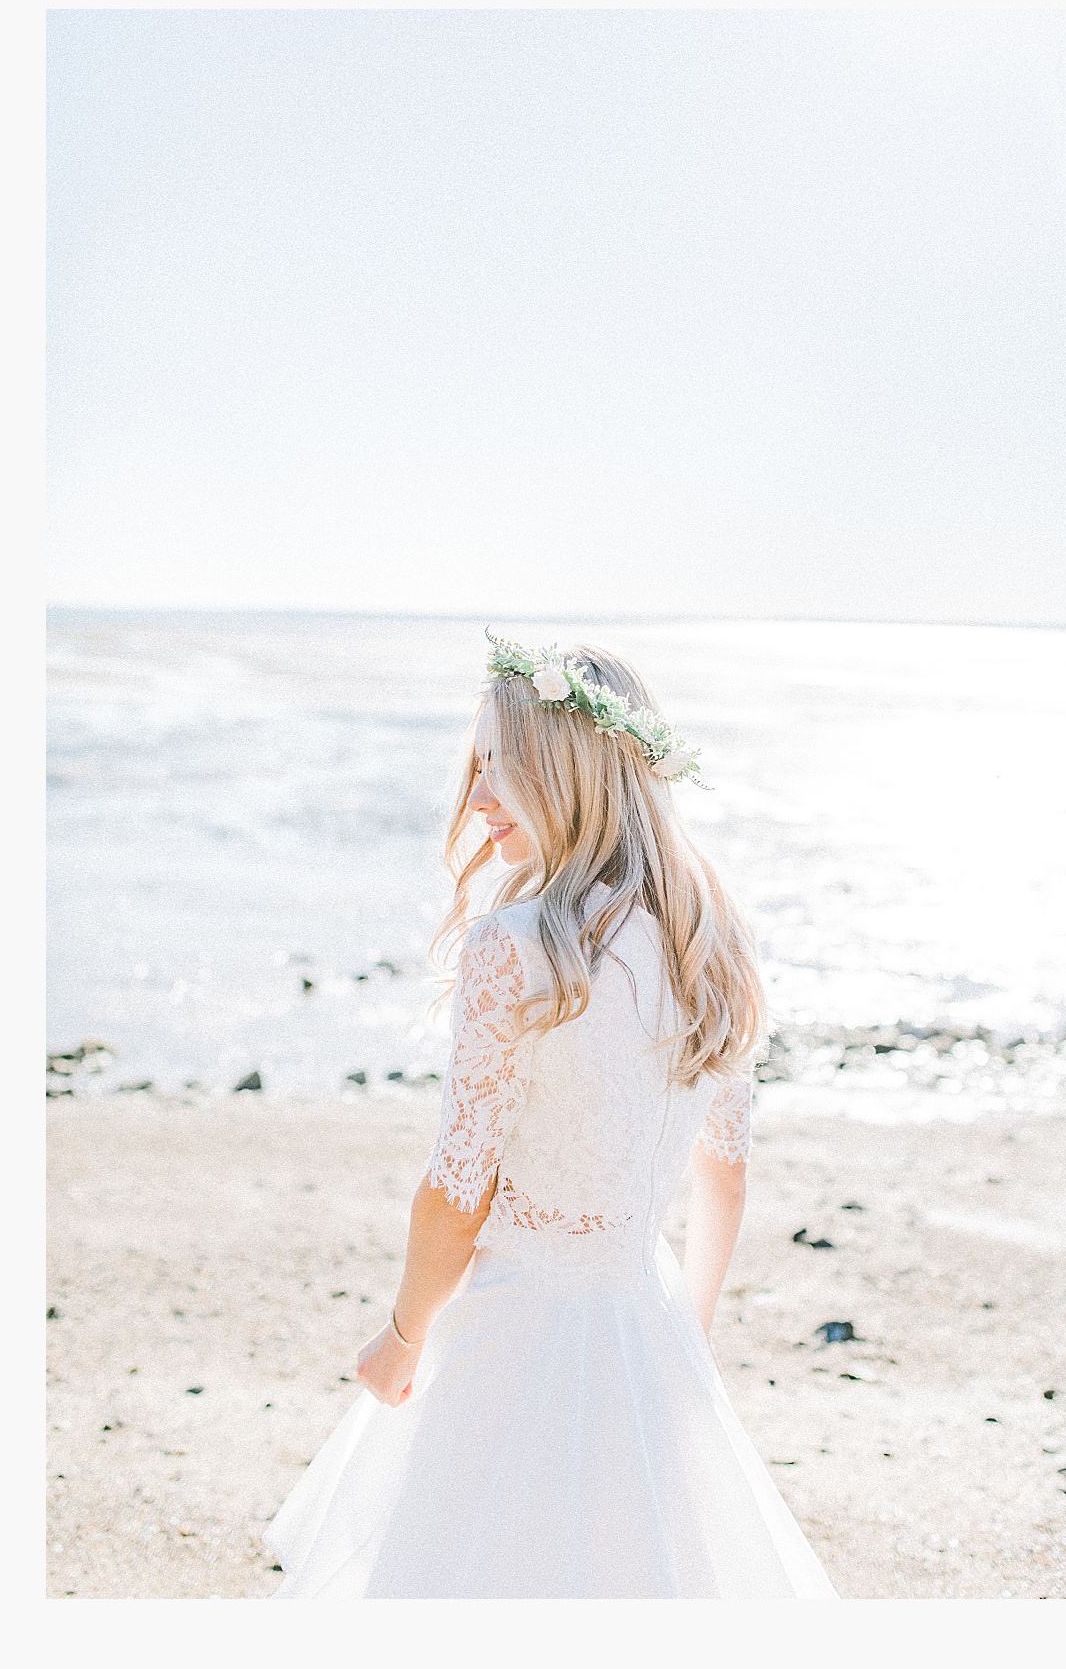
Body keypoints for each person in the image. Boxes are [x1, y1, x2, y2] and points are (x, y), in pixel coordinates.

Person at [264, 634, 839, 1598]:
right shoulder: (715, 942)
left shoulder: (515, 948)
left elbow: (457, 1190)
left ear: (573, 775)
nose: (479, 795)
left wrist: (403, 1338)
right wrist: (684, 1334)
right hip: (644, 1312)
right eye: (476, 764)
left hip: (514, 1322)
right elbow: (725, 1175)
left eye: (506, 765)